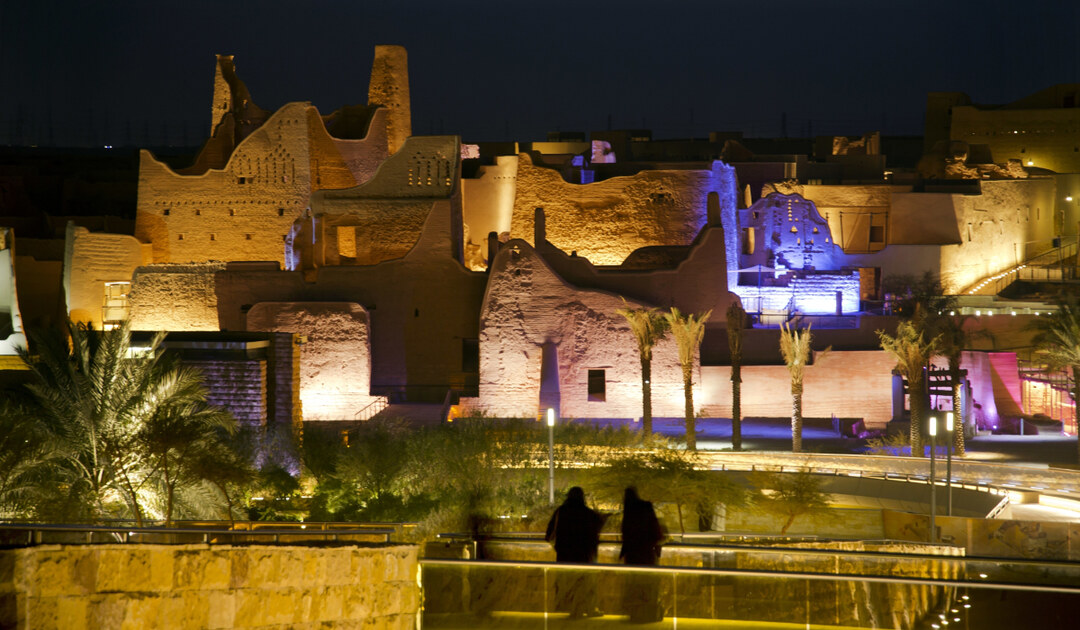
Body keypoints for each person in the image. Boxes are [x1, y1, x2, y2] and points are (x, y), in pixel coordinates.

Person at [546, 487, 605, 618]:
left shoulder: (561, 512)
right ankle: (589, 608)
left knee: (570, 583)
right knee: (587, 583)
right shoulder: (588, 514)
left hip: (566, 555)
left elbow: (549, 534)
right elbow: (598, 527)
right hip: (586, 555)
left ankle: (574, 610)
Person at [619, 487, 665, 623]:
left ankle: (636, 615)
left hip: (632, 555)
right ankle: (647, 614)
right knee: (647, 585)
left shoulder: (629, 510)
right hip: (646, 553)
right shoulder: (645, 507)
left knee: (635, 586)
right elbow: (655, 528)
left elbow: (626, 534)